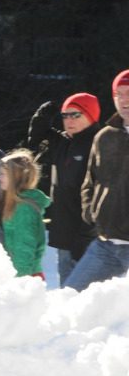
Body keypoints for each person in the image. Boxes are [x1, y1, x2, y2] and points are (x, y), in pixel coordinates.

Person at [65, 69, 129, 290]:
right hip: (105, 245)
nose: (124, 100)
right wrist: (90, 211)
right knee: (69, 298)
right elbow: (90, 180)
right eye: (119, 94)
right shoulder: (104, 137)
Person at [45, 92, 100, 284]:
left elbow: (99, 193)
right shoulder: (64, 142)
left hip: (87, 237)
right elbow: (35, 138)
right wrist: (41, 118)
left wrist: (87, 233)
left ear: (91, 115)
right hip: (64, 234)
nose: (69, 119)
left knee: (85, 295)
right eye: (65, 115)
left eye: (76, 114)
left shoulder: (98, 143)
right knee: (66, 294)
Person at [0, 149, 50, 278]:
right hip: (18, 271)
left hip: (26, 275)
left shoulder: (24, 208)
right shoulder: (15, 204)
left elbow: (24, 246)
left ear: (16, 177)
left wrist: (21, 280)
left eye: (3, 174)